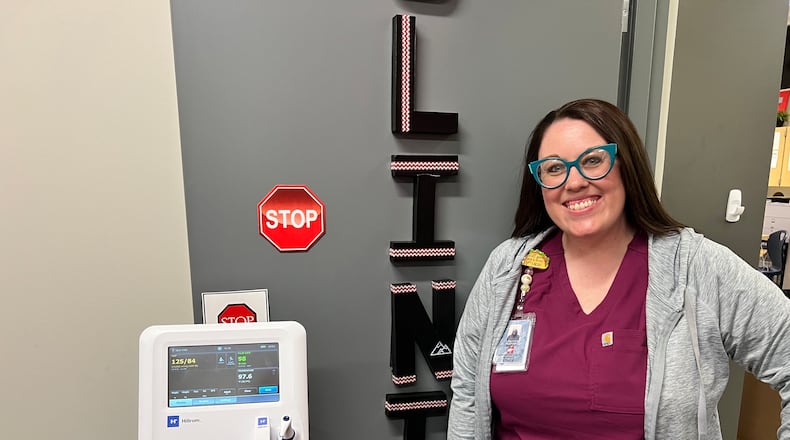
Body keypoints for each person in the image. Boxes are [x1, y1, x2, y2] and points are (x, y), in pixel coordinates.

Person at [447, 98, 790, 439]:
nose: (573, 182)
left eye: (593, 161)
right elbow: (467, 391)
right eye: (553, 168)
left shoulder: (695, 267)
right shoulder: (507, 268)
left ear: (627, 166)